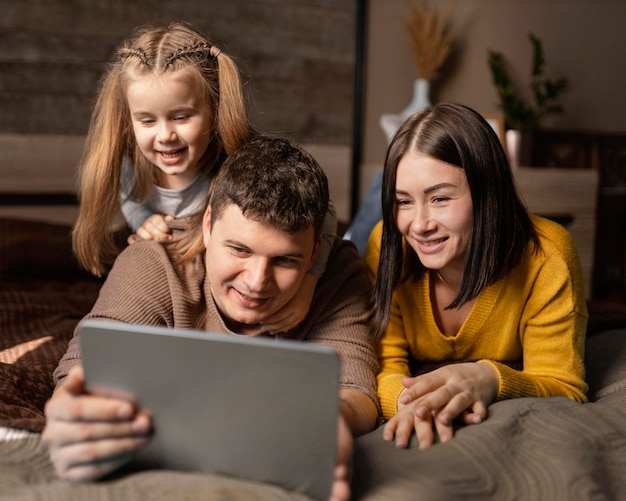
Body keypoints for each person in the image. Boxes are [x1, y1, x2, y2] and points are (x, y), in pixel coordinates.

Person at [43, 136, 379, 501]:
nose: (256, 282)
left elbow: (357, 391)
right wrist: (73, 410)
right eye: (239, 249)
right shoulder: (153, 259)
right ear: (207, 225)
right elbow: (87, 366)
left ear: (316, 251)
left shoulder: (339, 271)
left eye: (285, 260)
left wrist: (328, 422)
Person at [71, 22, 337, 334]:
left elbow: (325, 214)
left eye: (181, 117)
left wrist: (308, 285)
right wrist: (144, 218)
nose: (165, 135)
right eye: (146, 120)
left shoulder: (240, 166)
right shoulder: (130, 165)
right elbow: (129, 199)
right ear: (129, 120)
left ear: (213, 110)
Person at [364, 103, 588, 451]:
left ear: (487, 194)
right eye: (403, 202)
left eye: (440, 198)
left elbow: (564, 385)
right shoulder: (386, 245)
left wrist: (489, 377)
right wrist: (421, 410)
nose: (419, 224)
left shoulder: (548, 256)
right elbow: (385, 367)